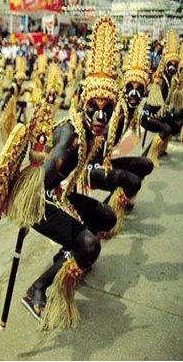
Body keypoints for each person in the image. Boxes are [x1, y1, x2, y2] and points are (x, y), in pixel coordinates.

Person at [14, 17, 118, 329]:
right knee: (89, 245)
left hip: (58, 193)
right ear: (83, 105)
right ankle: (37, 289)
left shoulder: (92, 132)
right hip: (38, 197)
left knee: (106, 218)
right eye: (95, 108)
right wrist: (27, 212)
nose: (100, 115)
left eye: (107, 109)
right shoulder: (72, 137)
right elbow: (48, 170)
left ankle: (68, 252)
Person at [88, 33, 154, 237]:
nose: (134, 94)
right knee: (132, 181)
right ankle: (108, 221)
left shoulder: (132, 110)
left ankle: (120, 198)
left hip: (104, 161)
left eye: (139, 89)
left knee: (146, 165)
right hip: (90, 167)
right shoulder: (116, 110)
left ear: (145, 91)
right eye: (130, 88)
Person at [141, 29, 181, 166]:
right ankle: (151, 155)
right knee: (166, 128)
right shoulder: (162, 82)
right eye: (170, 64)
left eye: (175, 65)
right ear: (165, 65)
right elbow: (156, 106)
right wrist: (168, 114)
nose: (172, 67)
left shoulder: (172, 80)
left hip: (157, 114)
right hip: (148, 116)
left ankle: (161, 150)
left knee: (174, 124)